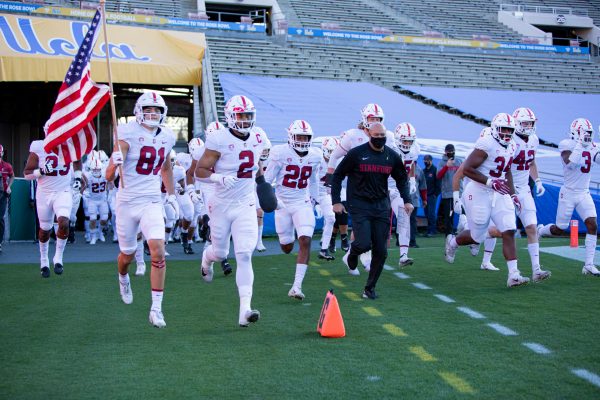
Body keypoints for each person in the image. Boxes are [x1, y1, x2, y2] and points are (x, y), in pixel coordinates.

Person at [105, 91, 176, 328]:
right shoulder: (126, 133)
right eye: (148, 109)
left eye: (157, 110)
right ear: (139, 111)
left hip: (151, 200)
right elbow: (108, 175)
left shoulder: (167, 136)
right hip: (126, 201)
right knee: (126, 255)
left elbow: (165, 167)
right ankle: (123, 277)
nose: (153, 114)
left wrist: (172, 195)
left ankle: (156, 309)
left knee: (157, 249)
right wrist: (115, 164)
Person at [195, 95, 266, 327]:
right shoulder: (218, 139)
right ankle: (207, 258)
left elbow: (256, 165)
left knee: (245, 254)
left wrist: (264, 184)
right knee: (221, 253)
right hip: (222, 204)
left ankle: (245, 309)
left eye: (248, 115)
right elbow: (200, 171)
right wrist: (219, 177)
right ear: (230, 116)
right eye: (240, 115)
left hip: (245, 202)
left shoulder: (258, 136)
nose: (245, 120)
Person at [445, 113, 530, 288]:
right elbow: (467, 169)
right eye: (503, 129)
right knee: (477, 237)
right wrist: (490, 182)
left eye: (510, 130)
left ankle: (513, 274)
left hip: (499, 192)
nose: (506, 133)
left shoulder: (512, 145)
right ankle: (453, 242)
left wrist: (513, 194)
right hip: (479, 191)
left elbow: (506, 171)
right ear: (494, 129)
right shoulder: (486, 144)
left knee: (509, 229)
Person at [331, 122, 413, 299]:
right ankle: (353, 253)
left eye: (382, 135)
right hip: (359, 204)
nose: (379, 139)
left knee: (381, 251)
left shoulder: (391, 156)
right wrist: (336, 201)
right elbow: (337, 175)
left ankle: (370, 288)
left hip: (381, 206)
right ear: (368, 134)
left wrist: (407, 200)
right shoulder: (356, 154)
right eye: (375, 136)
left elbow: (401, 178)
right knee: (364, 243)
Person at [326, 103, 395, 271]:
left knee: (376, 227)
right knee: (362, 225)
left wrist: (394, 183)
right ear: (364, 119)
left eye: (378, 119)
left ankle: (356, 254)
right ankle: (362, 256)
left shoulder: (387, 136)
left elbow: (391, 161)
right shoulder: (352, 136)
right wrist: (330, 180)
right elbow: (334, 156)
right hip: (357, 187)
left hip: (379, 187)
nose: (375, 121)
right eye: (372, 118)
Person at [264, 120, 321, 300]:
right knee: (287, 246)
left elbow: (313, 181)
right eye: (299, 136)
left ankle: (296, 286)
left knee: (305, 240)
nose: (303, 140)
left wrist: (316, 200)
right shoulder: (280, 152)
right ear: (290, 137)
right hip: (282, 203)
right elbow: (266, 180)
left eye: (306, 137)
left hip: (302, 202)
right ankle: (288, 240)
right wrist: (272, 201)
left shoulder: (315, 155)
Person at [538, 118, 599, 276]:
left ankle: (588, 265)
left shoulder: (594, 146)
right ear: (575, 133)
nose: (587, 136)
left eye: (589, 133)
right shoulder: (566, 144)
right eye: (584, 133)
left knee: (592, 224)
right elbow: (570, 163)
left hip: (584, 193)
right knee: (560, 229)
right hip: (569, 193)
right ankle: (541, 230)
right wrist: (580, 145)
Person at [23, 124, 84, 277]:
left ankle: (58, 257)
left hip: (63, 191)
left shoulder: (69, 146)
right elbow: (27, 174)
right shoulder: (38, 146)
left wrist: (77, 176)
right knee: (45, 230)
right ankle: (44, 260)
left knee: (64, 222)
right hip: (44, 193)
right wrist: (42, 171)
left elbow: (77, 161)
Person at [186, 123, 233, 276]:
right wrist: (192, 191)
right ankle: (223, 260)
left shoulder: (230, 147)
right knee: (215, 223)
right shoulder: (200, 151)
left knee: (223, 225)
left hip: (225, 186)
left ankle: (208, 259)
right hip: (209, 187)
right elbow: (190, 173)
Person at [390, 122, 420, 266]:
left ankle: (403, 255)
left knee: (404, 218)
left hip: (398, 191)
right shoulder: (389, 148)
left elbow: (412, 163)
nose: (407, 143)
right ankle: (358, 253)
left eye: (410, 140)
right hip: (381, 189)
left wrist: (412, 180)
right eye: (404, 140)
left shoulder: (415, 150)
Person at [317, 136, 339, 261]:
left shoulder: (339, 162)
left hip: (325, 194)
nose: (333, 155)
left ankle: (324, 249)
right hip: (308, 193)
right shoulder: (317, 159)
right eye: (331, 151)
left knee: (331, 218)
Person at [437, 144, 462, 236]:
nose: (451, 153)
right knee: (449, 214)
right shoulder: (442, 162)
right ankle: (449, 233)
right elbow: (438, 176)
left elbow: (464, 174)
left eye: (452, 151)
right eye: (449, 151)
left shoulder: (459, 161)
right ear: (445, 152)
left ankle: (459, 230)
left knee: (460, 212)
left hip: (458, 192)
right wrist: (446, 166)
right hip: (447, 193)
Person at [409, 165, 427, 248]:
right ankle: (400, 240)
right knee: (401, 221)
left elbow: (423, 186)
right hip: (401, 199)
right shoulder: (401, 165)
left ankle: (412, 241)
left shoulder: (419, 169)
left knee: (412, 220)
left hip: (414, 200)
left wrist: (424, 199)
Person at [0, 144, 14, 249]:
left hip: (2, 194)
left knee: (0, 218)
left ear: (2, 153)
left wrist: (9, 186)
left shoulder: (7, 165)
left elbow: (12, 176)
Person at [422, 154, 439, 237]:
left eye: (427, 160)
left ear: (431, 161)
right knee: (426, 213)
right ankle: (428, 230)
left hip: (432, 195)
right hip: (424, 196)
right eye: (424, 160)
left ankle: (433, 230)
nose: (426, 162)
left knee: (431, 213)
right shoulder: (423, 171)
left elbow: (438, 183)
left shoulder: (435, 170)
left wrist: (435, 194)